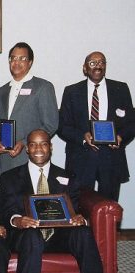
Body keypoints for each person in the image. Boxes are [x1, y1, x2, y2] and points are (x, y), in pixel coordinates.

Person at [0, 129, 105, 273]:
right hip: (26, 236)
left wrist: (81, 219)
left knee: (83, 232)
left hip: (59, 234)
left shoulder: (68, 176)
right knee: (32, 236)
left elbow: (76, 207)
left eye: (43, 144)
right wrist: (17, 220)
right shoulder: (10, 177)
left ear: (51, 147)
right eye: (33, 145)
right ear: (27, 149)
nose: (38, 149)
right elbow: (7, 210)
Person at [58, 51, 135, 201]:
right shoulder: (71, 91)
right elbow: (62, 126)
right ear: (85, 68)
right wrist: (82, 136)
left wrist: (120, 137)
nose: (97, 66)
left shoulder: (121, 89)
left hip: (111, 159)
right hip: (81, 159)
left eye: (101, 62)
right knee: (81, 206)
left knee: (109, 208)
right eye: (93, 63)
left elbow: (132, 123)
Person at [0, 42, 58, 174]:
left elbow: (51, 124)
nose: (17, 62)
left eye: (22, 58)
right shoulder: (1, 91)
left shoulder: (43, 87)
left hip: (31, 158)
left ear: (30, 62)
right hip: (6, 160)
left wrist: (24, 143)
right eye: (13, 58)